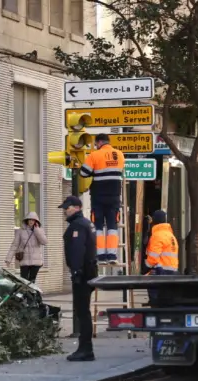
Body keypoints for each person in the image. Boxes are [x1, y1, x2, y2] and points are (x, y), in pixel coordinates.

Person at [60, 195, 97, 362]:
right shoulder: (85, 223)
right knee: (83, 311)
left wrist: (76, 272)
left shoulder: (78, 226)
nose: (65, 212)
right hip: (87, 272)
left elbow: (77, 250)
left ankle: (85, 348)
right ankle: (85, 347)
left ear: (76, 207)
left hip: (82, 275)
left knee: (82, 312)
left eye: (67, 208)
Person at [79, 133, 124, 263]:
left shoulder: (94, 155)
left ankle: (100, 256)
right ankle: (112, 255)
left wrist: (93, 170)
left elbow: (83, 173)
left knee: (98, 226)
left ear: (99, 143)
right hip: (114, 195)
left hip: (98, 196)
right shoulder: (120, 155)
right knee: (112, 225)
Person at [145, 210, 179, 307]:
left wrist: (146, 267)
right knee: (168, 302)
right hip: (172, 273)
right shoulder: (171, 235)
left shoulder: (157, 235)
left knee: (156, 303)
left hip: (159, 272)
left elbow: (153, 259)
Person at [4, 211, 47, 284]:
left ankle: (32, 295)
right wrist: (8, 259)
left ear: (36, 221)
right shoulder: (20, 231)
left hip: (36, 261)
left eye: (33, 220)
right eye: (30, 219)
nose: (31, 221)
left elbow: (44, 242)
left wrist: (36, 230)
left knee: (32, 282)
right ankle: (26, 295)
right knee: (24, 281)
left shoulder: (40, 230)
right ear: (27, 220)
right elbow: (14, 245)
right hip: (24, 260)